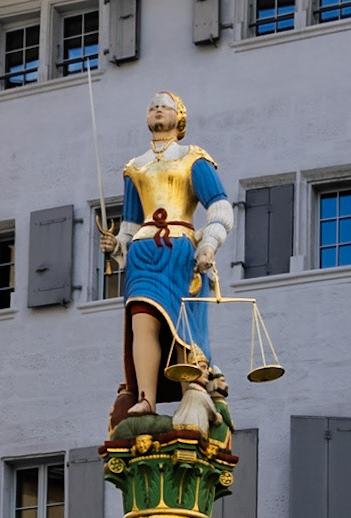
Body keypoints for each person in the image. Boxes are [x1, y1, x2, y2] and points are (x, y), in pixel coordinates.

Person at [101, 91, 233, 420]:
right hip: (144, 251)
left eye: (166, 105)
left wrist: (209, 244)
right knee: (142, 320)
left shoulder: (193, 159)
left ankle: (194, 390)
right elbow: (130, 226)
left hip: (181, 251)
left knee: (185, 326)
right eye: (152, 106)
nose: (158, 109)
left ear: (180, 117)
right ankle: (146, 397)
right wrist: (116, 246)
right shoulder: (135, 168)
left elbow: (219, 205)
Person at [207, 365, 234, 449]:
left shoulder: (219, 402)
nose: (226, 385)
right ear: (214, 384)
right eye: (222, 381)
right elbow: (226, 416)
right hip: (217, 438)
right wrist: (231, 425)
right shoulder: (219, 404)